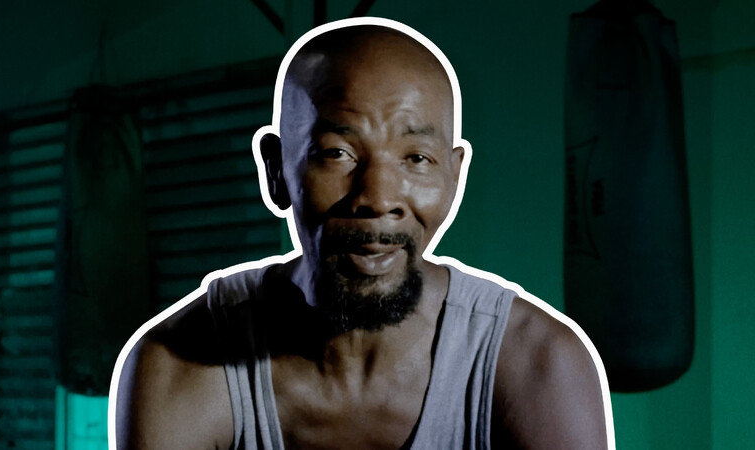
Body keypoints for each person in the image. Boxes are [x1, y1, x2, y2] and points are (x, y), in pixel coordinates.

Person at [111, 18, 612, 450]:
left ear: (455, 176)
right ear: (276, 170)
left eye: (417, 158)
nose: (378, 196)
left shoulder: (537, 365)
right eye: (337, 154)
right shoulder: (179, 365)